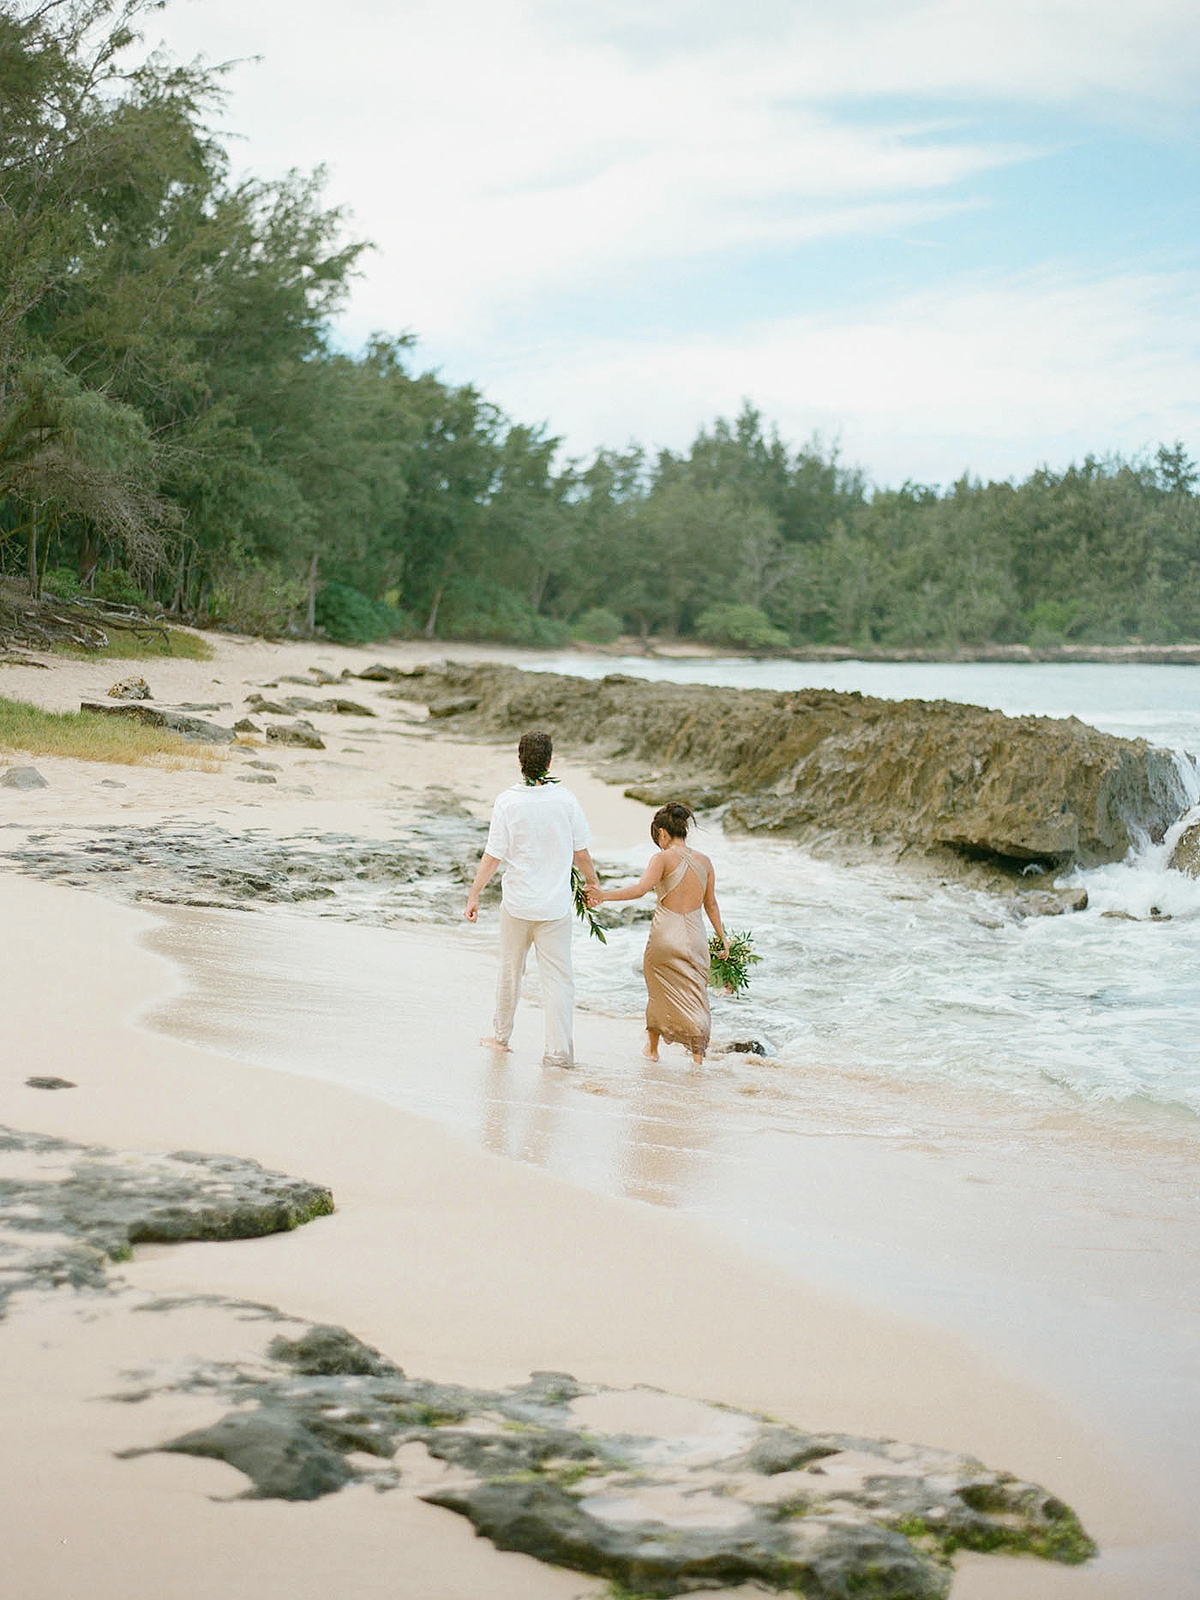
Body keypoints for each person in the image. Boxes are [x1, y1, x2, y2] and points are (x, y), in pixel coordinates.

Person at [464, 730, 598, 1068]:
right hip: (554, 909)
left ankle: (501, 1038)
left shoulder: (508, 801)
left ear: (521, 762)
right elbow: (581, 853)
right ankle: (558, 1053)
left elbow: (492, 856)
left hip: (518, 905)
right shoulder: (566, 801)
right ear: (550, 762)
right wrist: (592, 884)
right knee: (558, 980)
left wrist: (474, 893)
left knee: (511, 972)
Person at [587, 802, 728, 1065]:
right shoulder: (705, 862)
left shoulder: (662, 859)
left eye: (658, 839)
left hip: (665, 935)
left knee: (658, 991)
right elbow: (711, 904)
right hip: (695, 936)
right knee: (696, 994)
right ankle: (697, 1058)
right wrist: (722, 937)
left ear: (663, 833)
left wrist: (604, 895)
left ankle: (652, 1050)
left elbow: (640, 889)